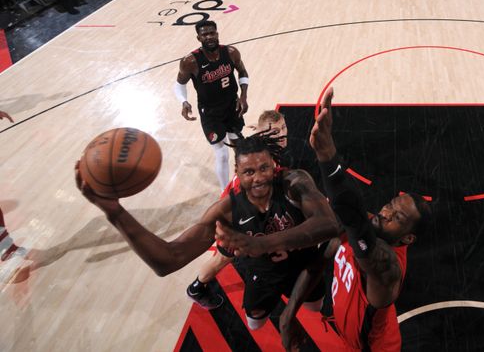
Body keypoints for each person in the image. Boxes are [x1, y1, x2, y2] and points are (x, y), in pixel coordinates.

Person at [229, 88, 432, 351]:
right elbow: (326, 244)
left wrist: (328, 158)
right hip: (345, 330)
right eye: (389, 205)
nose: (385, 213)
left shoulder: (387, 269)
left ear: (407, 238)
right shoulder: (369, 224)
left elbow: (353, 219)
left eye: (397, 217)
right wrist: (290, 313)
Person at [76, 132, 339, 329]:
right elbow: (168, 260)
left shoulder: (295, 182)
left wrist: (262, 244)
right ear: (237, 171)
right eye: (249, 171)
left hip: (305, 269)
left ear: (274, 165)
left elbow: (329, 224)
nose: (258, 177)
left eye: (264, 168)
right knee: (254, 324)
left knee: (314, 308)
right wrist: (115, 213)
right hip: (264, 277)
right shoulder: (225, 211)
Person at [187, 110, 289, 309]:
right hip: (234, 218)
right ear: (263, 134)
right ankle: (196, 288)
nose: (282, 134)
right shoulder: (258, 160)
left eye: (284, 128)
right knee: (223, 258)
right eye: (275, 131)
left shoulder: (263, 149)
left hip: (243, 210)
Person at [175, 20, 249, 190]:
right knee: (222, 153)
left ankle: (242, 181)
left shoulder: (230, 52)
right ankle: (225, 193)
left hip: (232, 106)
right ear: (198, 38)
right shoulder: (190, 61)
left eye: (212, 33)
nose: (209, 37)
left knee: (238, 146)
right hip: (210, 112)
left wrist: (243, 96)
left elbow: (242, 72)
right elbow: (180, 84)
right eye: (205, 34)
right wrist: (184, 101)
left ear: (217, 33)